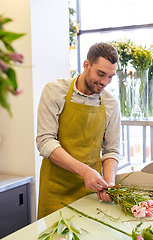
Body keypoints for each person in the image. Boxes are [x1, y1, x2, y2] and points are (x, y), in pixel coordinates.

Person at [36, 42, 121, 219]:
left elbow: (111, 150)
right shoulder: (54, 91)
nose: (104, 82)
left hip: (92, 190)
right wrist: (84, 171)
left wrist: (109, 184)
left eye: (110, 77)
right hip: (56, 188)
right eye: (101, 74)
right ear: (86, 65)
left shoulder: (111, 103)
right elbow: (45, 142)